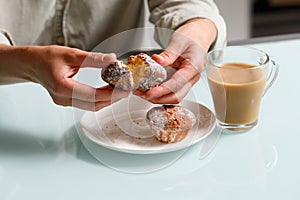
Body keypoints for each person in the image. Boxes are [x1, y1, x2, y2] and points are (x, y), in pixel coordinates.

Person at [0, 0, 226, 111]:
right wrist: (24, 62)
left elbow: (187, 4)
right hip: (9, 101)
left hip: (124, 108)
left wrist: (198, 30)